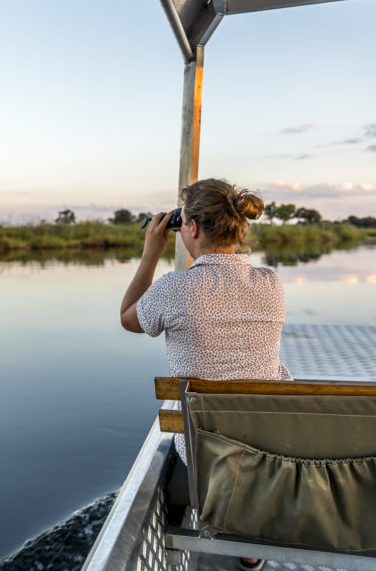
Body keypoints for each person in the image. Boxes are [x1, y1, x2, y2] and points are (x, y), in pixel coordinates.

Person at [120, 178, 291, 571]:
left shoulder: (176, 288)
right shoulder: (272, 283)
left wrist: (151, 253)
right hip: (270, 441)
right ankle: (251, 546)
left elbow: (128, 318)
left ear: (191, 228)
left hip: (207, 453)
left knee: (194, 436)